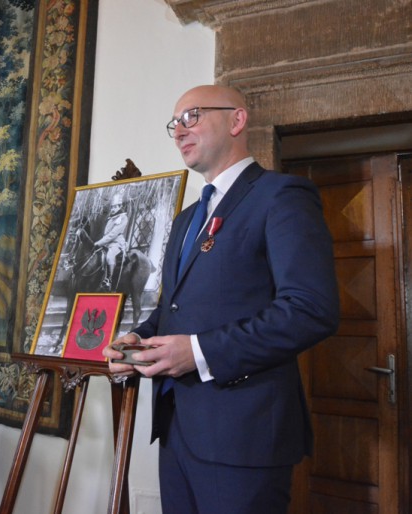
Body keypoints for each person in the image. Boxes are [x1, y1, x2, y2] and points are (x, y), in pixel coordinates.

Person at [102, 85, 340, 514]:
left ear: (237, 120)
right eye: (174, 123)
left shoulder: (282, 196)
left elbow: (310, 309)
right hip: (176, 431)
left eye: (191, 116)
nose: (179, 131)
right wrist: (135, 340)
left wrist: (198, 351)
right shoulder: (187, 219)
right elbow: (172, 308)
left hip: (244, 437)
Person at [93, 193, 128, 290]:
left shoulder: (123, 218)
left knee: (109, 256)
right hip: (107, 242)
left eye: (115, 207)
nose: (113, 209)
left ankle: (109, 279)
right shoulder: (111, 218)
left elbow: (113, 234)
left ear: (120, 206)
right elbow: (106, 233)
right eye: (112, 207)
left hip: (116, 243)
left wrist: (99, 242)